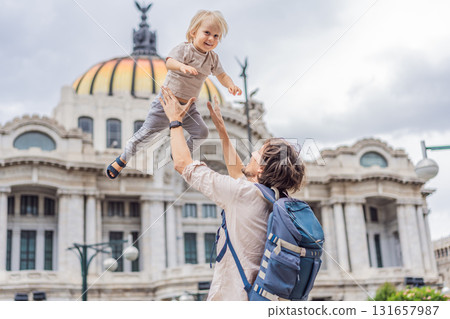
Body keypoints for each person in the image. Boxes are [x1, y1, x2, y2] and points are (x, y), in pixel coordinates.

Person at [158, 87, 306, 300]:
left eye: (256, 154)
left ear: (262, 169)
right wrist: (222, 130)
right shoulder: (278, 199)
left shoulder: (243, 194)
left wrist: (174, 121)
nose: (251, 156)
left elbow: (182, 164)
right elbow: (238, 172)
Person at [106, 10, 242, 179]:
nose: (211, 39)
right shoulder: (184, 49)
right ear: (193, 32)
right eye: (207, 33)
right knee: (143, 135)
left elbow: (222, 75)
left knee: (202, 132)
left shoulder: (213, 59)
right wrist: (182, 67)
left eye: (216, 36)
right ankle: (122, 160)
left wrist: (231, 85)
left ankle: (176, 154)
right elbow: (169, 62)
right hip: (167, 103)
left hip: (188, 106)